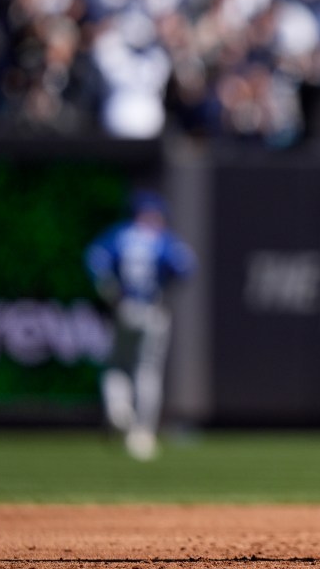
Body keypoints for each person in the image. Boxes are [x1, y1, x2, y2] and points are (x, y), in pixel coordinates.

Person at [85, 190, 196, 461]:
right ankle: (143, 432)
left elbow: (94, 259)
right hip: (152, 308)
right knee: (147, 370)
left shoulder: (120, 234)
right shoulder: (162, 239)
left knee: (117, 365)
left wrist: (109, 290)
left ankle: (118, 408)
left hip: (123, 308)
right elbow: (186, 266)